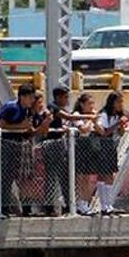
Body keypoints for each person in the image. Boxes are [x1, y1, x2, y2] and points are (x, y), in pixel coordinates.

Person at [0, 84, 41, 218]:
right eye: (30, 97)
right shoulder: (11, 107)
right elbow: (0, 126)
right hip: (5, 144)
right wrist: (20, 126)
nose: (32, 100)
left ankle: (18, 207)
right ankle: (2, 208)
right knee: (5, 177)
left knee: (16, 176)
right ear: (22, 97)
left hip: (17, 145)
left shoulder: (27, 110)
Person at [40, 86, 76, 215]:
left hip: (59, 144)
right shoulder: (53, 108)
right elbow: (70, 117)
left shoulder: (56, 108)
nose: (67, 100)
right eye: (65, 97)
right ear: (58, 97)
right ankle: (49, 206)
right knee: (52, 176)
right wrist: (90, 116)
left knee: (63, 176)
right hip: (53, 144)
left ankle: (66, 205)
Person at [93, 91, 128, 214]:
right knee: (103, 175)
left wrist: (122, 125)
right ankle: (104, 204)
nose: (121, 104)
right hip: (102, 147)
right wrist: (118, 123)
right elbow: (105, 132)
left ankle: (108, 204)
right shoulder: (104, 114)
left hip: (111, 147)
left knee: (109, 175)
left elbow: (121, 133)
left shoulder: (118, 115)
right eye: (119, 102)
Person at [71, 93, 101, 215]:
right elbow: (83, 129)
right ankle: (79, 202)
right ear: (82, 104)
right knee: (80, 177)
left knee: (88, 177)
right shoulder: (77, 115)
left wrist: (96, 121)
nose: (91, 106)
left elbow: (99, 130)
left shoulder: (91, 116)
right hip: (80, 146)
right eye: (89, 104)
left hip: (90, 146)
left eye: (92, 104)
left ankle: (85, 202)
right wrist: (90, 119)